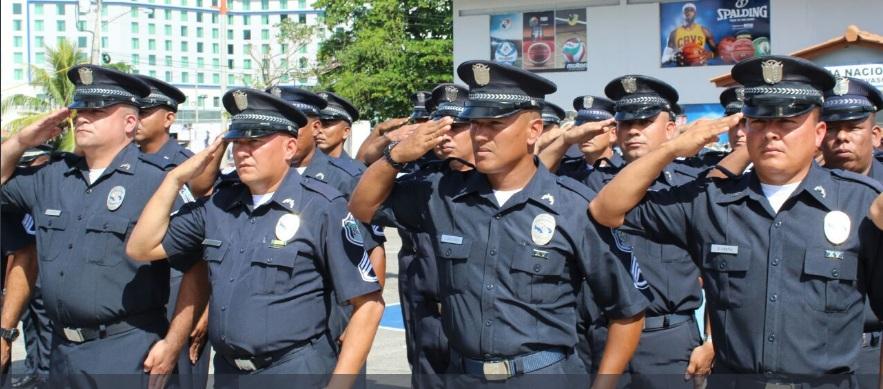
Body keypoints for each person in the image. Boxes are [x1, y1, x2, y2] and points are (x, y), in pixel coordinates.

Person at [349, 60, 647, 387]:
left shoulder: (573, 206)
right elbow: (363, 207)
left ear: (534, 130)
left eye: (495, 123)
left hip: (542, 376)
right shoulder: (442, 194)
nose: (481, 135)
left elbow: (627, 311)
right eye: (475, 123)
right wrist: (396, 156)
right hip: (463, 376)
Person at [590, 55, 883, 387]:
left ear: (818, 133)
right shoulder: (711, 200)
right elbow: (606, 209)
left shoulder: (862, 204)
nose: (771, 134)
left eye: (787, 123)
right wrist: (671, 150)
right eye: (758, 121)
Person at [125, 88, 385, 389]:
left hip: (294, 372)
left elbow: (369, 303)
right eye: (238, 142)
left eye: (255, 141)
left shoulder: (323, 207)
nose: (243, 151)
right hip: (228, 373)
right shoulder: (219, 205)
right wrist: (175, 179)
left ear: (289, 148)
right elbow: (141, 247)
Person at [0, 65, 206, 389]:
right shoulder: (53, 176)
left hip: (128, 351)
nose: (83, 117)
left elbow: (196, 267)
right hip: (62, 351)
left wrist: (173, 344)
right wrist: (22, 140)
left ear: (129, 123)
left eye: (97, 111)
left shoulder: (155, 183)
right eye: (81, 109)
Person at [554, 75, 709, 389]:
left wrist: (711, 340)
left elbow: (722, 274)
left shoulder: (694, 186)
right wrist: (568, 139)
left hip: (665, 339)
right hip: (599, 334)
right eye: (626, 123)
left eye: (646, 121)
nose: (635, 130)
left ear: (671, 128)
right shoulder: (589, 181)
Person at [133, 74, 212, 389]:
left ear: (168, 118)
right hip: (138, 296)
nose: (137, 119)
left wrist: (206, 309)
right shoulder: (125, 164)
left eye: (146, 112)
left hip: (180, 294)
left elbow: (208, 239)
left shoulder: (190, 168)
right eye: (135, 111)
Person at [395, 82, 470, 389]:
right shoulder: (423, 180)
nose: (444, 134)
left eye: (456, 126)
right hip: (427, 304)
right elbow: (363, 203)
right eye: (439, 126)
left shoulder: (496, 184)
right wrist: (395, 152)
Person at [818, 76, 883, 388]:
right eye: (831, 127)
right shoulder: (799, 193)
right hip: (818, 357)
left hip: (876, 349)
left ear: (876, 135)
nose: (841, 137)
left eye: (854, 127)